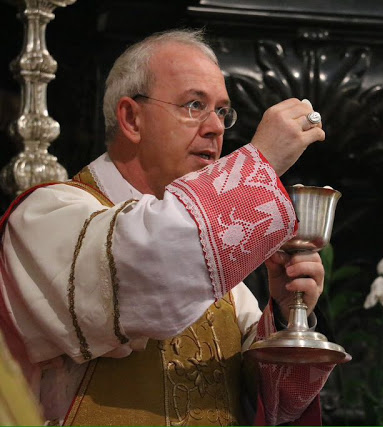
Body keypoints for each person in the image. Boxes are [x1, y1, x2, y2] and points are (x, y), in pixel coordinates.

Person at [0, 28, 335, 426]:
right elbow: (143, 266)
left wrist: (284, 315)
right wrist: (261, 160)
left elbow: (273, 407)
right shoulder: (49, 217)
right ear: (131, 118)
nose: (216, 128)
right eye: (195, 105)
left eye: (222, 112)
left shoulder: (212, 260)